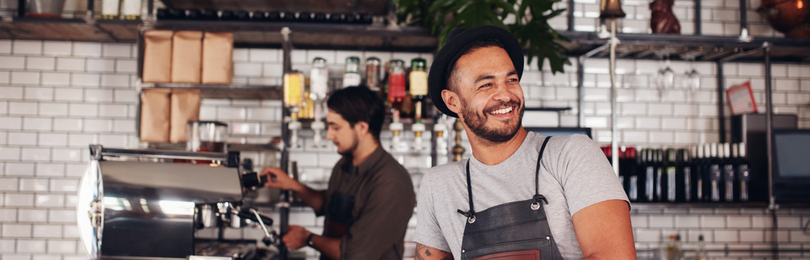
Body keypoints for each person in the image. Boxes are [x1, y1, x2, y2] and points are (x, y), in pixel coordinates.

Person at [413, 26, 636, 260]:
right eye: (486, 84)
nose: (506, 95)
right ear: (453, 101)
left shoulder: (571, 155)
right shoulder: (439, 185)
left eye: (512, 80)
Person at [261, 86, 416, 260]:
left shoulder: (391, 182)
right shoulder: (344, 164)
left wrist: (307, 238)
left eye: (335, 127)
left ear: (362, 128)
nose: (328, 135)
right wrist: (291, 185)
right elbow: (329, 205)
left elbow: (355, 254)